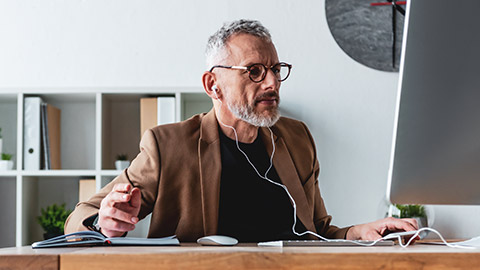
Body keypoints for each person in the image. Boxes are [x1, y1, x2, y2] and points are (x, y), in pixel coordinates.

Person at [65, 19, 418, 242]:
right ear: (213, 84)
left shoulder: (296, 139)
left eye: (276, 69)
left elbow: (318, 232)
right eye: (254, 71)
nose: (273, 82)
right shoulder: (167, 145)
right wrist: (103, 222)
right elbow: (78, 219)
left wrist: (361, 233)